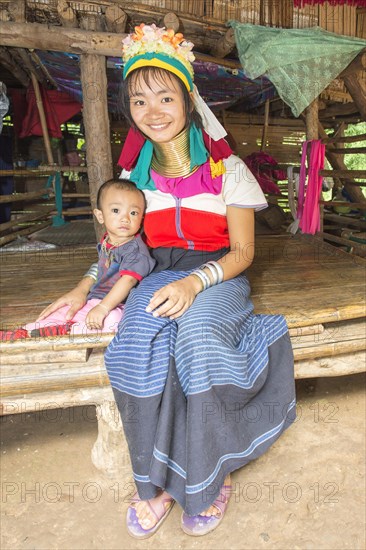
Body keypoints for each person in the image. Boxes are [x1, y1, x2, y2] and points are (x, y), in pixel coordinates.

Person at [43, 24, 296, 538]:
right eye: (139, 100)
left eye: (165, 96)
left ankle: (208, 479)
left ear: (188, 98)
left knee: (198, 344)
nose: (153, 110)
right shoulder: (132, 180)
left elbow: (244, 252)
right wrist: (81, 286)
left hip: (217, 275)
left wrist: (193, 284)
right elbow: (120, 249)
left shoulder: (229, 172)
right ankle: (153, 485)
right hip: (152, 274)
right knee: (135, 346)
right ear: (128, 109)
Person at [0, 179, 155, 340]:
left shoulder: (135, 251)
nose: (125, 219)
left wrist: (103, 307)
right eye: (116, 210)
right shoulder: (107, 241)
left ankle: (69, 331)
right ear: (100, 216)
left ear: (142, 218)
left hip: (119, 304)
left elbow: (128, 280)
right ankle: (25, 332)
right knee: (63, 311)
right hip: (95, 299)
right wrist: (85, 292)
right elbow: (100, 266)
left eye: (133, 213)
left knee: (112, 321)